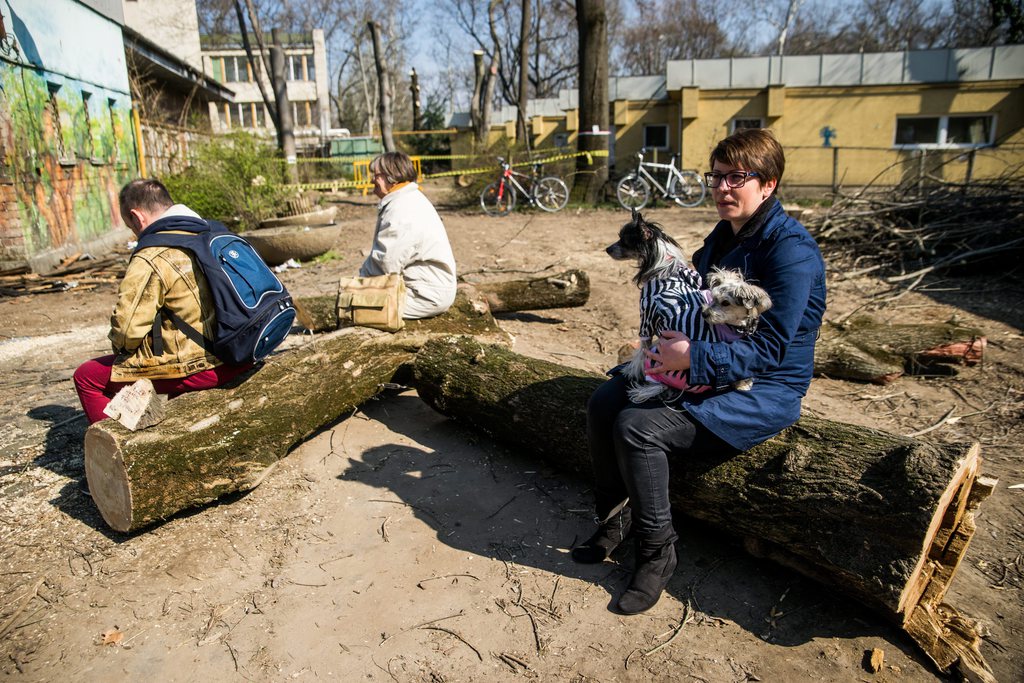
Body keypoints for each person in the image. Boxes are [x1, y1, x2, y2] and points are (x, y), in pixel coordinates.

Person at [574, 128, 826, 615]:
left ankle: (657, 552)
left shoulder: (790, 252)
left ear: (768, 184)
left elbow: (772, 350)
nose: (722, 188)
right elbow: (694, 300)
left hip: (763, 388)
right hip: (707, 367)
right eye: (716, 178)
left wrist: (691, 357)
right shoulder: (724, 236)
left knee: (638, 427)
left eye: (737, 178)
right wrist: (661, 340)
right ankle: (614, 518)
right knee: (605, 402)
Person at [73, 179, 253, 426]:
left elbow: (127, 332)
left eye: (130, 226)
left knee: (87, 376)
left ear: (137, 217)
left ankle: (121, 450)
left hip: (208, 367)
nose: (134, 233)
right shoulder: (212, 232)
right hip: (245, 350)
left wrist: (123, 351)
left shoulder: (152, 255)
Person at [359, 151, 457, 319]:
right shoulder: (406, 199)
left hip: (423, 295)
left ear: (391, 177)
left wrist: (359, 283)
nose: (372, 180)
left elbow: (386, 262)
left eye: (375, 175)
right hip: (426, 287)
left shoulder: (401, 209)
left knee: (356, 309)